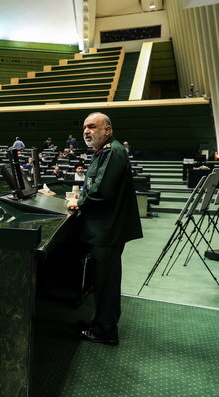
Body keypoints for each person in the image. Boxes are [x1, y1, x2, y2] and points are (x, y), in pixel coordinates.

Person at [67, 112, 143, 346]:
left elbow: (101, 190)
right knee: (101, 280)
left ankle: (106, 331)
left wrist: (78, 202)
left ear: (107, 130)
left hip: (108, 230)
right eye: (84, 128)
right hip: (104, 228)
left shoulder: (113, 152)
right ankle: (100, 322)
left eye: (92, 127)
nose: (86, 132)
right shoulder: (104, 152)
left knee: (106, 281)